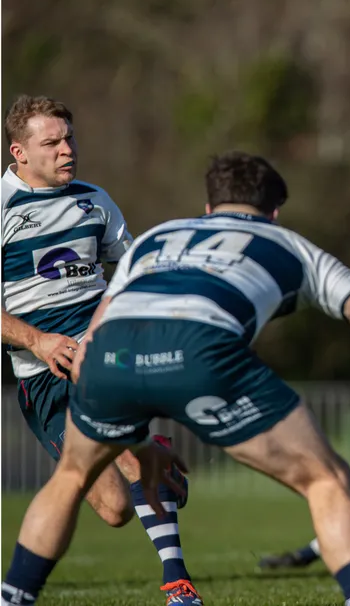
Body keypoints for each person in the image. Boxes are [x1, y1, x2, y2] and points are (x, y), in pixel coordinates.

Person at [0, 152, 350, 606]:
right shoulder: (290, 247)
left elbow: (102, 329)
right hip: (202, 349)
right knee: (326, 479)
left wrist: (134, 432)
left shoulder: (157, 236)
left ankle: (13, 596)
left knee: (70, 477)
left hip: (109, 356)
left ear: (208, 207)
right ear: (274, 211)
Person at [0, 95, 202, 605]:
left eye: (69, 138)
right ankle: (145, 449)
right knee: (113, 508)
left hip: (103, 347)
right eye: (53, 143)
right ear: (19, 153)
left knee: (127, 454)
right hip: (40, 369)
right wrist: (38, 340)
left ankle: (177, 583)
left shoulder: (94, 200)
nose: (68, 150)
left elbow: (131, 270)